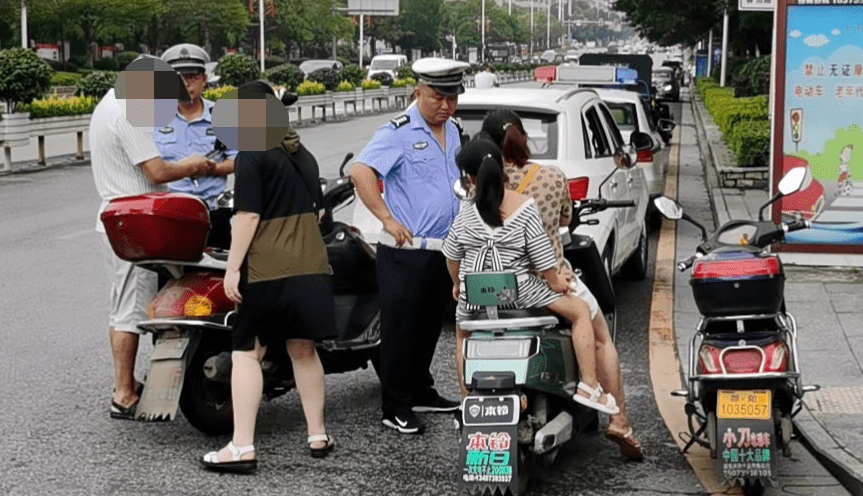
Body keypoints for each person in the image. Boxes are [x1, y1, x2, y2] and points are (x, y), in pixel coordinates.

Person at [480, 108, 644, 460]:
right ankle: (618, 419)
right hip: (549, 281)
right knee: (600, 335)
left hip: (492, 287)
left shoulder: (479, 183)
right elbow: (566, 219)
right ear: (522, 138)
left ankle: (466, 395)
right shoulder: (552, 176)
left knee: (465, 331)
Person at [201, 80, 337, 474]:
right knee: (304, 349)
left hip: (266, 269)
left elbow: (247, 216)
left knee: (248, 351)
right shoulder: (303, 154)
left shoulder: (251, 155)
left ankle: (242, 446)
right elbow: (318, 211)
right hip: (311, 265)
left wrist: (231, 268)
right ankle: (317, 435)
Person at [443, 138, 619, 418]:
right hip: (518, 291)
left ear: (469, 178)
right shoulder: (524, 206)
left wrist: (457, 285)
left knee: (462, 335)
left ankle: (467, 399)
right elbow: (543, 257)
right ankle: (589, 384)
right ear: (503, 168)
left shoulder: (465, 212)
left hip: (475, 293)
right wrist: (555, 282)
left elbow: (452, 256)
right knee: (580, 311)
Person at [349, 57, 469, 434]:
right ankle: (395, 405)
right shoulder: (397, 131)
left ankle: (421, 390)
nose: (446, 106)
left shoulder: (455, 131)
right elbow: (360, 170)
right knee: (402, 329)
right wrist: (386, 217)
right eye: (437, 97)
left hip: (442, 250)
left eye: (452, 98)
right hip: (405, 252)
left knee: (430, 326)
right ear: (417, 92)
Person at [90, 58, 213, 420]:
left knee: (121, 306)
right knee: (130, 311)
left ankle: (126, 385)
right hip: (137, 222)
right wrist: (193, 165)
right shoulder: (125, 112)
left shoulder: (109, 102)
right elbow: (157, 171)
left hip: (120, 218)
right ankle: (124, 393)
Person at [155, 44, 237, 248]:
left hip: (213, 213)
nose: (186, 84)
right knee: (172, 276)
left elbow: (237, 159)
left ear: (204, 79)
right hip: (172, 212)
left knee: (219, 275)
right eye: (179, 78)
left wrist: (215, 169)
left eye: (192, 77)